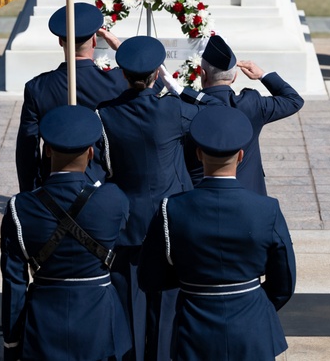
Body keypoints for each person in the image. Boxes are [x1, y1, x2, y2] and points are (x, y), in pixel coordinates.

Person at [139, 106, 296, 361]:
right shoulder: (266, 209)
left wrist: (191, 280)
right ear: (242, 156)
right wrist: (252, 301)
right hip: (251, 324)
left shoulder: (172, 208)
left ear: (199, 154)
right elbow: (284, 281)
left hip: (194, 325)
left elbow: (149, 278)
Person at [1, 105, 131, 361]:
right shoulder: (114, 199)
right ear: (91, 153)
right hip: (100, 320)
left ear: (47, 151)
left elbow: (14, 282)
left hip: (44, 322)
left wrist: (12, 341)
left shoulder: (21, 207)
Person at [97, 36, 197, 361]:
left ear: (122, 74)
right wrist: (178, 87)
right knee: (166, 310)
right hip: (171, 222)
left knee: (130, 308)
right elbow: (212, 115)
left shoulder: (104, 115)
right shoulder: (174, 108)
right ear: (156, 73)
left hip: (127, 222)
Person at [15, 2, 127, 192]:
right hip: (105, 184)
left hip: (52, 185)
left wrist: (30, 193)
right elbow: (154, 78)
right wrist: (121, 49)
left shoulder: (37, 88)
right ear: (94, 40)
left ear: (60, 41)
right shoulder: (117, 82)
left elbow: (27, 150)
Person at [178, 35, 303, 194]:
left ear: (203, 74)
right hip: (249, 196)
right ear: (235, 76)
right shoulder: (251, 104)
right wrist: (262, 75)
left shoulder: (186, 107)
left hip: (199, 197)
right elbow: (293, 100)